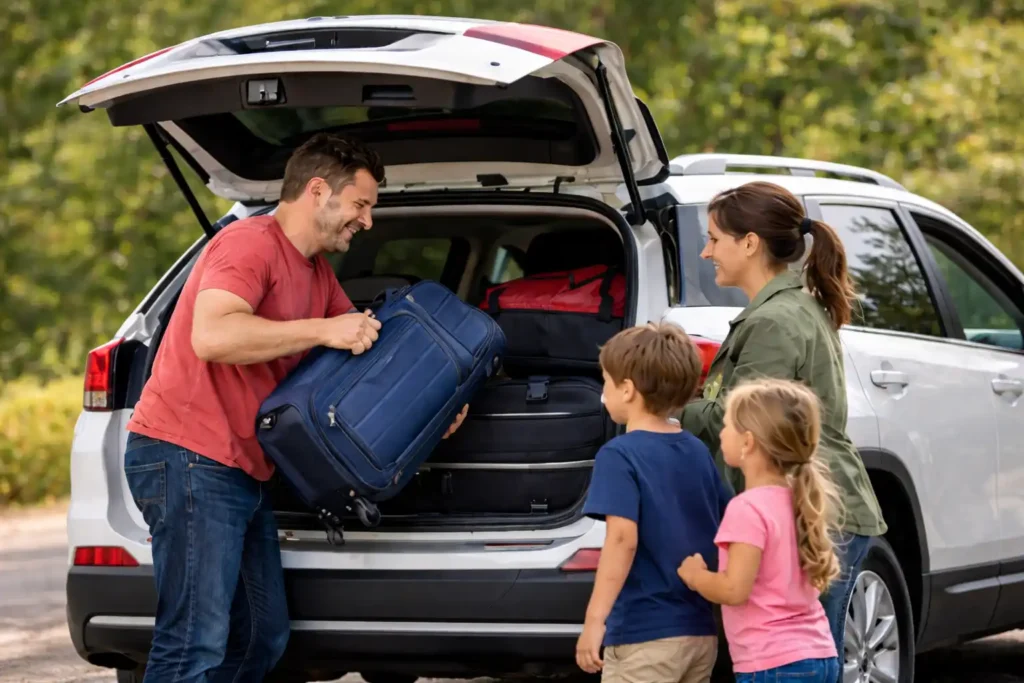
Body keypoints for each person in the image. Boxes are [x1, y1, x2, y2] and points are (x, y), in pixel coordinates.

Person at [122, 132, 469, 682]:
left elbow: (363, 367)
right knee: (193, 642)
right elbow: (212, 336)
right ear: (316, 191)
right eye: (361, 204)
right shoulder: (248, 244)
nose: (367, 220)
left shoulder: (316, 273)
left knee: (262, 636)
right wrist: (325, 329)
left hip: (241, 468)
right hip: (187, 457)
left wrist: (433, 407)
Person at [679, 181, 886, 671]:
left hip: (821, 511)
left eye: (714, 238)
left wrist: (666, 404)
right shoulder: (790, 308)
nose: (708, 251)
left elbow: (744, 418)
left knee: (801, 662)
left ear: (749, 243)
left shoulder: (773, 321)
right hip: (825, 507)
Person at [575, 323, 733, 683]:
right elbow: (728, 520)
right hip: (699, 632)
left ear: (627, 390)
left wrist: (594, 620)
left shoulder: (619, 455)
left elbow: (622, 539)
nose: (604, 391)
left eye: (606, 381)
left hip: (643, 635)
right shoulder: (696, 449)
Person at [678, 378, 842, 682]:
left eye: (726, 425)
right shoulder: (799, 501)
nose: (722, 433)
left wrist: (696, 577)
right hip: (820, 654)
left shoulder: (747, 509)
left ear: (748, 442)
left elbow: (734, 590)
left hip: (773, 664)